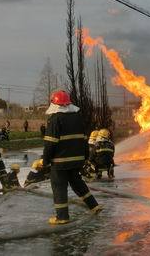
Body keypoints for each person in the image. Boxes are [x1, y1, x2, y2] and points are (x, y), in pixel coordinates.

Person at [43, 90, 102, 225]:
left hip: (59, 163)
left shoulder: (55, 119)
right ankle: (94, 205)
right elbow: (84, 140)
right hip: (76, 161)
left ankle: (62, 217)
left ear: (55, 104)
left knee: (59, 187)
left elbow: (50, 143)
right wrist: (85, 157)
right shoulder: (77, 117)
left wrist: (46, 161)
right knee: (77, 183)